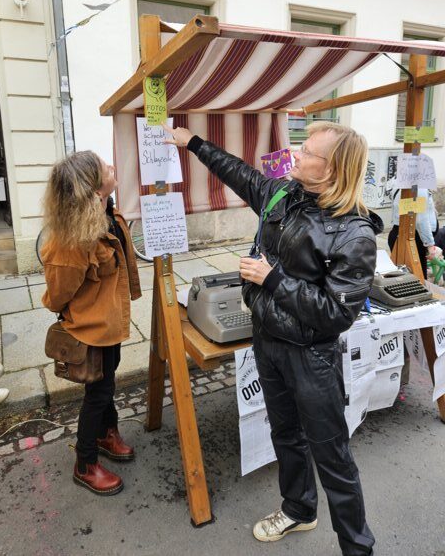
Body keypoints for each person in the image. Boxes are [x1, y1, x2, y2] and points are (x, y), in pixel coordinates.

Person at [164, 121, 380, 556]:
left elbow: (336, 313)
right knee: (285, 433)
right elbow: (241, 175)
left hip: (312, 358)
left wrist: (273, 278)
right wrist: (195, 145)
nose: (295, 155)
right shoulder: (284, 194)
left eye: (308, 152)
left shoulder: (355, 233)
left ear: (333, 170)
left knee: (333, 459)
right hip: (268, 343)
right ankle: (299, 509)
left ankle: (358, 549)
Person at [41, 151, 141, 496]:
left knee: (107, 382)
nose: (112, 168)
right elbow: (57, 294)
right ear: (94, 189)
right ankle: (85, 464)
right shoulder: (70, 241)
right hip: (90, 327)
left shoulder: (107, 214)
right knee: (97, 394)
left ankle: (105, 433)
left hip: (109, 321)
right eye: (105, 168)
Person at [388, 186, 440, 278]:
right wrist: (430, 245)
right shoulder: (417, 188)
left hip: (402, 233)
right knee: (417, 279)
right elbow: (420, 220)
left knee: (402, 277)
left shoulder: (401, 183)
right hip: (412, 237)